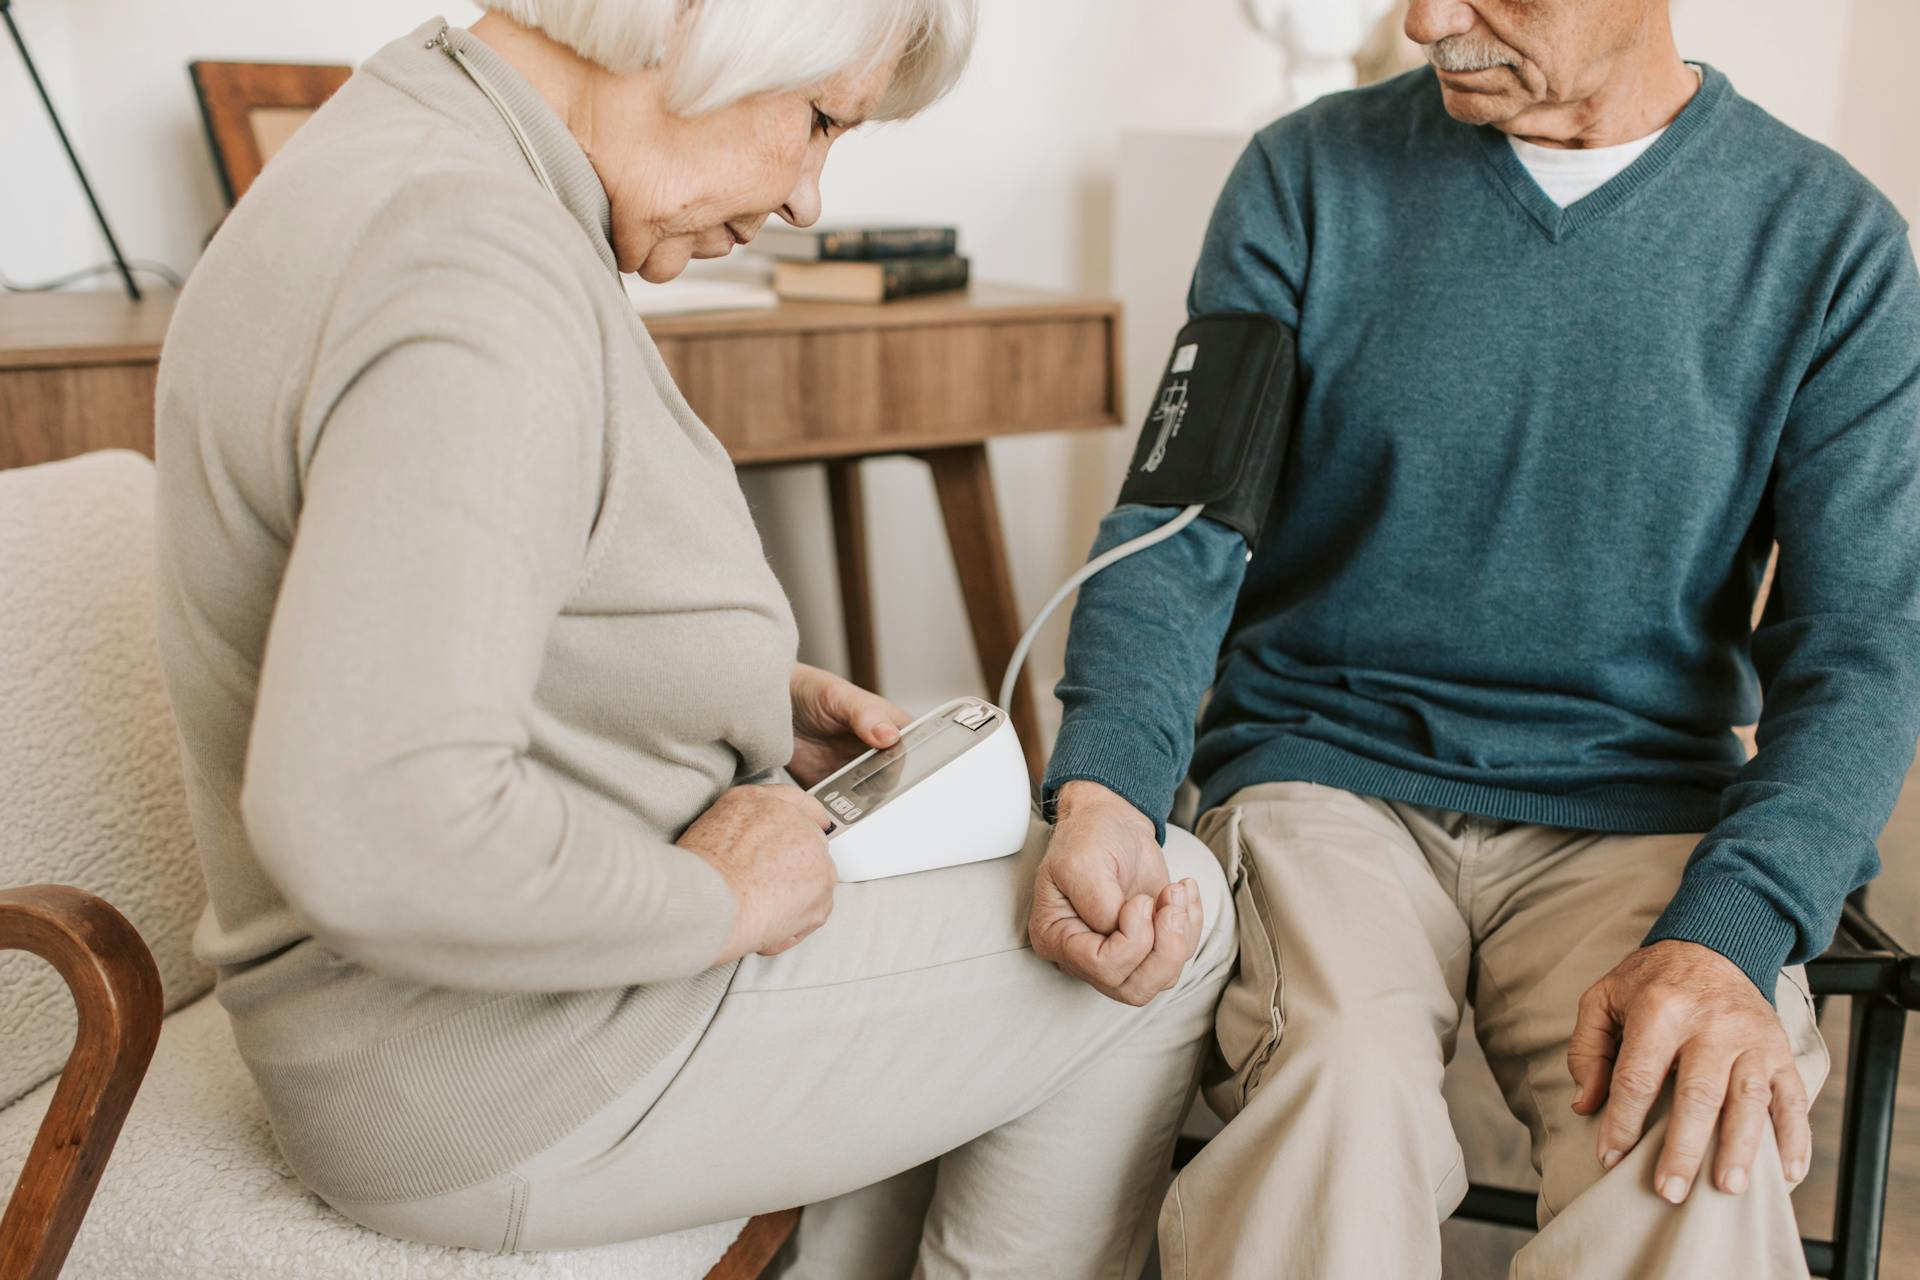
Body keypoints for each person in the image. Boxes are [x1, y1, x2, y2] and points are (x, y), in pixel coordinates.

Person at [151, 3, 1235, 1274]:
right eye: (821, 120)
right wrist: (716, 898)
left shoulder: (409, 140)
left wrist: (711, 688)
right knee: (1180, 907)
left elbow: (420, 580)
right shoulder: (475, 267)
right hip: (492, 1067)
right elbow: (373, 819)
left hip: (419, 1030)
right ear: (699, 23)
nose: (809, 200)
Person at [1034, 0, 1920, 1276]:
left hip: (1641, 809)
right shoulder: (1307, 177)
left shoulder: (1830, 242)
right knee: (1333, 1085)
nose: (1425, 20)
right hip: (1329, 776)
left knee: (1691, 1122)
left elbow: (1860, 645)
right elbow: (1178, 527)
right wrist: (1107, 779)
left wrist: (1734, 929)